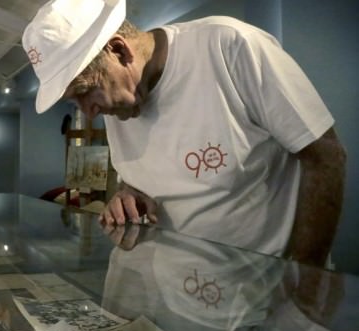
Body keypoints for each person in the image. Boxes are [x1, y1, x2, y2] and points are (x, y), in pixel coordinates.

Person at [22, 0, 346, 267]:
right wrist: (126, 195)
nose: (88, 111)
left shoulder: (229, 46)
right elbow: (138, 178)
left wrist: (307, 275)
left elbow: (325, 155)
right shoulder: (117, 100)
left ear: (119, 52)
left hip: (267, 289)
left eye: (85, 92)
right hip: (179, 297)